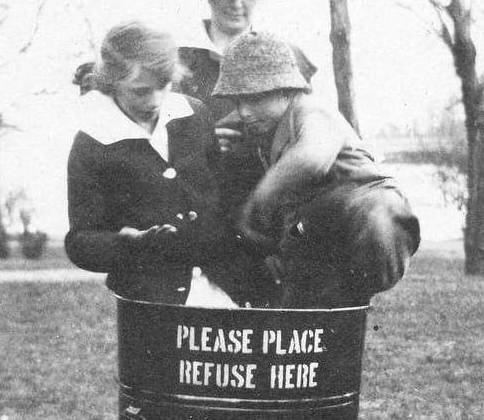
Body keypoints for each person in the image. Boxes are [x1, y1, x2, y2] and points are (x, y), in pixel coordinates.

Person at [210, 31, 421, 309]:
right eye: (238, 101)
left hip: (364, 211)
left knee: (375, 214)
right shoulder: (254, 123)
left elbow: (310, 159)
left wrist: (256, 206)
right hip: (309, 231)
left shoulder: (311, 111)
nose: (245, 111)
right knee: (302, 318)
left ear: (286, 90)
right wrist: (211, 143)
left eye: (254, 99)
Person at [65, 20, 244, 306]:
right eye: (140, 90)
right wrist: (127, 244)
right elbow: (80, 242)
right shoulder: (94, 142)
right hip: (150, 298)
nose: (155, 100)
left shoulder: (194, 114)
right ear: (112, 82)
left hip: (221, 286)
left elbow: (224, 198)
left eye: (164, 86)